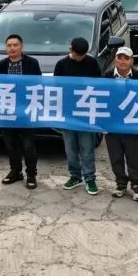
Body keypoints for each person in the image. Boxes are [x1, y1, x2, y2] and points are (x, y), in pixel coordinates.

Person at [0, 34, 42, 189]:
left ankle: (31, 174)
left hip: (25, 110)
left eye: (15, 45)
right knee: (10, 144)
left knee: (28, 145)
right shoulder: (1, 65)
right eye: (9, 45)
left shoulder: (32, 63)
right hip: (7, 111)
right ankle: (15, 171)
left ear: (22, 46)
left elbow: (38, 85)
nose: (12, 48)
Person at [53, 36, 102, 195]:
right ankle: (75, 176)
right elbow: (56, 88)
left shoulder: (92, 63)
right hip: (68, 114)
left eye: (82, 55)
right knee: (70, 148)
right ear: (71, 50)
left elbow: (99, 86)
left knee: (87, 148)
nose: (79, 57)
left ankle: (90, 178)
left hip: (86, 113)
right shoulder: (62, 65)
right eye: (76, 54)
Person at [104, 46, 138, 201]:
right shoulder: (106, 77)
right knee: (115, 157)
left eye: (126, 58)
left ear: (132, 61)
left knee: (132, 156)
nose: (122, 61)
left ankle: (136, 185)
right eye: (120, 58)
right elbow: (101, 100)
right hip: (112, 125)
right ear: (115, 59)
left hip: (131, 124)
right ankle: (120, 184)